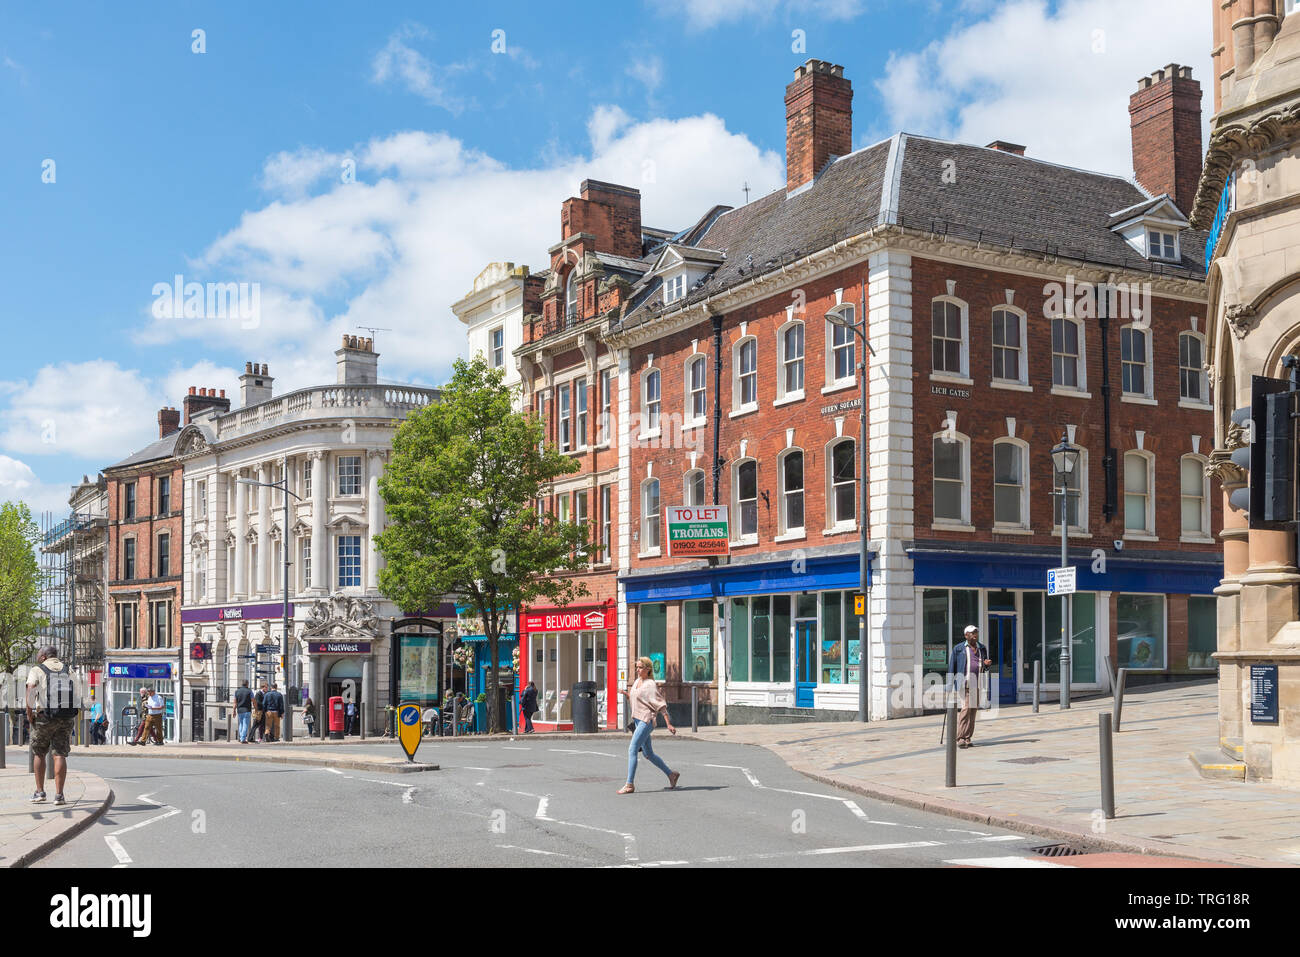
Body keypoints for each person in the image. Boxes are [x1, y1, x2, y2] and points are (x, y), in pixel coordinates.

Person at [617, 657, 679, 794]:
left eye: (640, 667)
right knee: (648, 754)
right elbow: (637, 698)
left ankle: (629, 784)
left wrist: (668, 723)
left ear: (648, 669)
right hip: (638, 721)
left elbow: (660, 703)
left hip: (646, 721)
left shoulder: (650, 684)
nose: (637, 670)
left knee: (632, 749)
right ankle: (671, 774)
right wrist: (626, 694)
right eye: (636, 667)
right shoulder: (637, 682)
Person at [26, 645, 78, 805]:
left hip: (44, 716)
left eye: (37, 655)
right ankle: (59, 795)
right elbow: (76, 693)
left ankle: (40, 792)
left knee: (39, 752)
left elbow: (30, 689)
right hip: (65, 717)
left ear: (43, 657)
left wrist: (30, 715)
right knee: (59, 754)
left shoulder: (37, 669)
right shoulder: (68, 670)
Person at [948, 624, 992, 749]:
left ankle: (967, 737)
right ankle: (960, 737)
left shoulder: (982, 648)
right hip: (964, 683)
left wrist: (987, 664)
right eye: (972, 633)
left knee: (973, 711)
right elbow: (952, 666)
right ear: (966, 635)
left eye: (976, 633)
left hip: (977, 683)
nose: (975, 635)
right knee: (966, 709)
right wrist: (950, 684)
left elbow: (984, 666)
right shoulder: (959, 648)